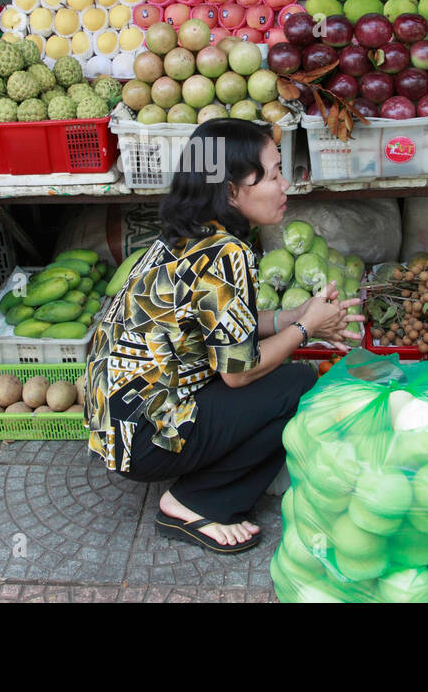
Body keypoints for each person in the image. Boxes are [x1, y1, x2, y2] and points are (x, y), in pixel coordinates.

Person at [84, 119, 362, 554]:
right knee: (296, 384)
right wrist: (308, 328)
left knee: (277, 370)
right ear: (231, 191)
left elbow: (230, 329)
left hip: (115, 423)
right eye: (272, 175)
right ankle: (196, 501)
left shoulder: (185, 234)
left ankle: (194, 476)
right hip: (144, 436)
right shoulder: (225, 252)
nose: (285, 184)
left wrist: (296, 314)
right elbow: (238, 372)